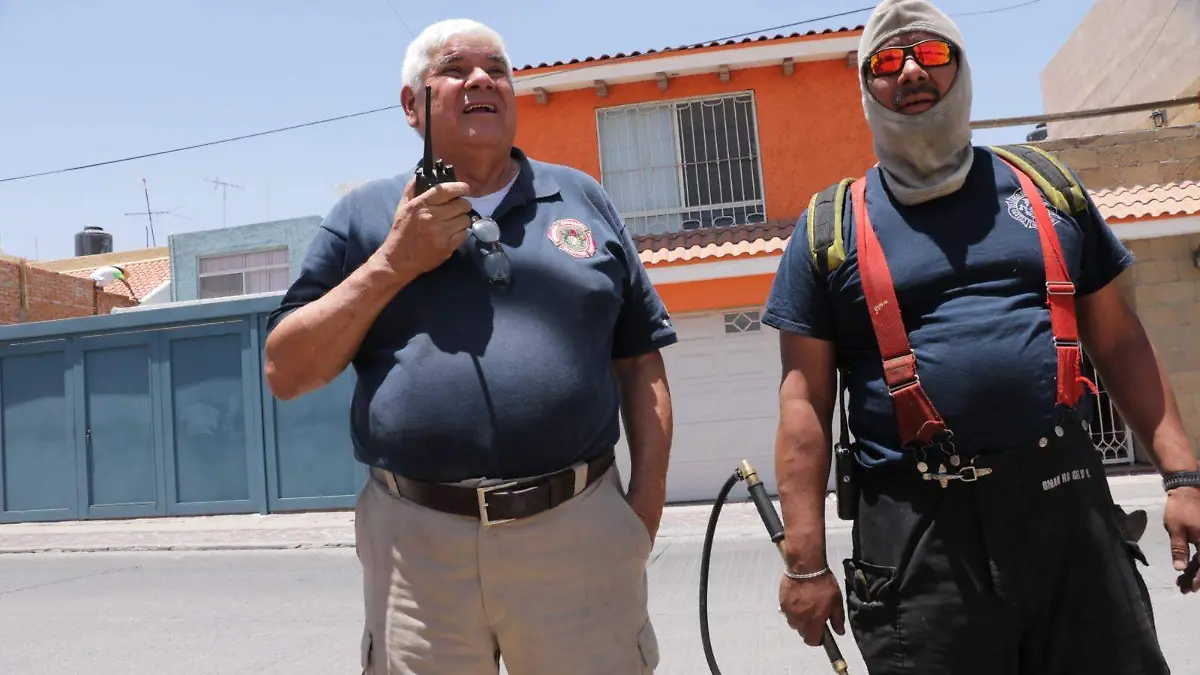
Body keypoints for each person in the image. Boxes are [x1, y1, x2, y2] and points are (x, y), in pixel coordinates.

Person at [763, 0, 1200, 673]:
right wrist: (804, 562)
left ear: (962, 70)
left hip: (1069, 513)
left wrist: (1184, 477)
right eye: (886, 60)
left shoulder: (1047, 189)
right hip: (918, 541)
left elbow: (1120, 341)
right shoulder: (830, 229)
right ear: (866, 85)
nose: (910, 70)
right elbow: (804, 408)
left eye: (931, 54)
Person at [262, 18, 674, 675]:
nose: (482, 78)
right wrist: (395, 261)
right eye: (455, 69)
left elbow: (640, 360)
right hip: (418, 547)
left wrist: (640, 514)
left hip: (579, 529)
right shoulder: (361, 218)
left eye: (497, 69)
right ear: (410, 105)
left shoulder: (583, 199)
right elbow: (285, 369)